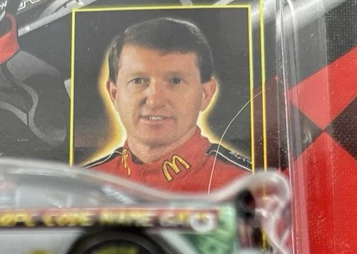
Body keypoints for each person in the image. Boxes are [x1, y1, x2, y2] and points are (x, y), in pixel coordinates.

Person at [87, 17, 251, 192]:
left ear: (205, 94)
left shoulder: (247, 185)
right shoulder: (84, 187)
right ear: (114, 94)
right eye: (138, 80)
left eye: (175, 80)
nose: (155, 101)